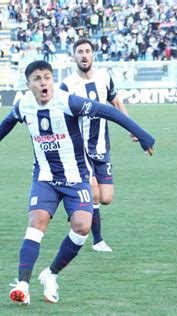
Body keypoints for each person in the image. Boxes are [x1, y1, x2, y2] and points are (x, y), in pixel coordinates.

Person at [0, 60, 154, 305]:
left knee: (82, 227)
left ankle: (50, 274)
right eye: (37, 79)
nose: (43, 82)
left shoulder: (67, 101)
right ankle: (22, 284)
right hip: (45, 178)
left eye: (47, 77)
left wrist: (144, 136)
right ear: (28, 84)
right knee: (36, 223)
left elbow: (109, 111)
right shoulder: (24, 105)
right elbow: (7, 122)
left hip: (76, 178)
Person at [60, 38, 136, 252]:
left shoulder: (104, 78)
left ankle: (76, 206)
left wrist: (131, 127)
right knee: (93, 193)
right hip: (80, 150)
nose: (84, 55)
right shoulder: (67, 85)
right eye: (80, 51)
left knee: (106, 198)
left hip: (102, 147)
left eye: (87, 51)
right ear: (74, 56)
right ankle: (97, 240)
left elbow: (117, 103)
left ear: (93, 55)